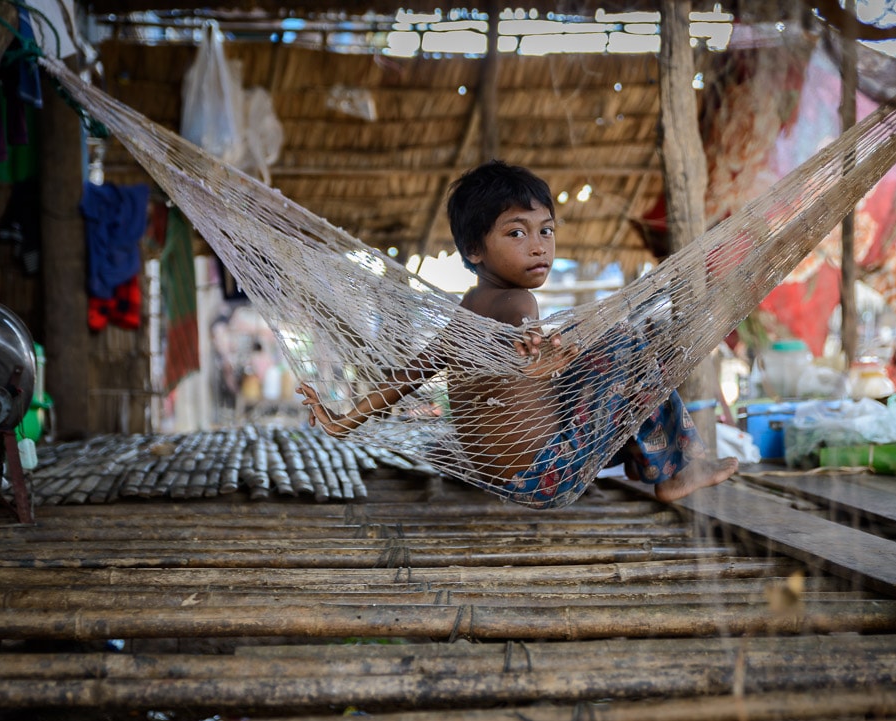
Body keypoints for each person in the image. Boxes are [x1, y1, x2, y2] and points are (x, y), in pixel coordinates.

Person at [298, 160, 738, 507]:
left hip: (503, 480)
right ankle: (679, 471)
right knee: (625, 344)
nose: (538, 245)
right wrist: (534, 363)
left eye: (546, 230)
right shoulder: (518, 303)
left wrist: (345, 419)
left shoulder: (466, 312)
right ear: (474, 250)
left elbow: (409, 375)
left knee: (594, 359)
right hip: (547, 476)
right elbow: (519, 343)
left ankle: (646, 464)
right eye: (516, 232)